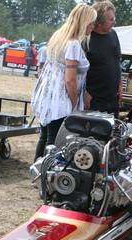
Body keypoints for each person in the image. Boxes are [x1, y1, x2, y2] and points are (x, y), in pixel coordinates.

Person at [31, 4, 96, 160]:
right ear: (83, 22)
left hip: (48, 96)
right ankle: (46, 176)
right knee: (54, 141)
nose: (92, 27)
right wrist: (74, 101)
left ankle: (37, 172)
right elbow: (70, 79)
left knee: (45, 136)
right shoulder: (73, 44)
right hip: (61, 99)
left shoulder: (58, 37)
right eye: (91, 23)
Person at [84, 1, 122, 117]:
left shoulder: (113, 35)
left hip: (113, 99)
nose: (114, 22)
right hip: (95, 100)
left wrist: (120, 85)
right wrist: (85, 93)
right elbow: (79, 70)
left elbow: (117, 61)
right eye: (111, 19)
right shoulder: (86, 39)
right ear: (99, 23)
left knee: (113, 133)